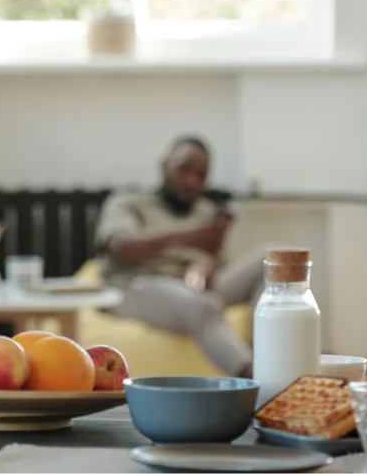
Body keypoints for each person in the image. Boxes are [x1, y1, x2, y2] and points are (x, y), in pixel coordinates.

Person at [94, 136, 263, 378]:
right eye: (184, 169)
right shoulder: (129, 203)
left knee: (273, 260)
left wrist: (207, 265)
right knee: (203, 306)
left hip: (195, 285)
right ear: (165, 165)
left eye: (201, 175)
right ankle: (259, 382)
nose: (191, 181)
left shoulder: (207, 211)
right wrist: (178, 238)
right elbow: (119, 248)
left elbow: (217, 262)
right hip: (140, 285)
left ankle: (266, 354)